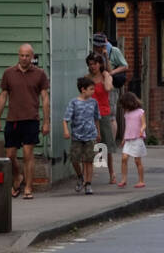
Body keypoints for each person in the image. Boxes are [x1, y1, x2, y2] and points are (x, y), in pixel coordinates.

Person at [0, 43, 50, 199]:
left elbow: (45, 98)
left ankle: (28, 187)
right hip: (13, 119)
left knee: (27, 153)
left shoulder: (40, 74)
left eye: (27, 56)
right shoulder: (9, 73)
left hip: (31, 119)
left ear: (32, 57)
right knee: (10, 154)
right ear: (18, 55)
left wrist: (46, 122)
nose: (24, 58)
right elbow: (3, 96)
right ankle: (18, 176)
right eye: (22, 55)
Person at [63, 75, 102, 194]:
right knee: (75, 159)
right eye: (91, 89)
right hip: (77, 136)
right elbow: (66, 119)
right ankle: (80, 176)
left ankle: (88, 184)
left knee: (89, 160)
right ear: (83, 89)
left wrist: (98, 132)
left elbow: (96, 118)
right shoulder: (74, 103)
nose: (93, 91)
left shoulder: (94, 102)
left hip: (90, 135)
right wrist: (66, 130)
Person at [85, 52, 116, 183]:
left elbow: (108, 88)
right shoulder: (86, 78)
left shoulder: (105, 76)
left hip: (103, 112)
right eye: (90, 64)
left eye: (95, 63)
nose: (93, 66)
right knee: (90, 145)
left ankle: (112, 173)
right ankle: (89, 175)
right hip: (89, 114)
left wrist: (106, 75)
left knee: (106, 144)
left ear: (100, 64)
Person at [117, 91, 147, 188]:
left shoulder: (140, 112)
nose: (123, 107)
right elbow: (127, 127)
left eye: (124, 105)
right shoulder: (127, 114)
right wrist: (124, 138)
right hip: (128, 139)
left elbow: (144, 124)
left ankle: (141, 180)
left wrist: (142, 129)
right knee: (124, 158)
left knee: (137, 160)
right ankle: (124, 179)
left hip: (137, 138)